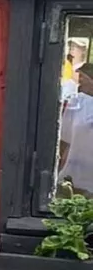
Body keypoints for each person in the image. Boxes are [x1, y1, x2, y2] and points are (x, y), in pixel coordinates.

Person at [59, 62, 93, 195]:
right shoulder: (79, 103)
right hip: (73, 176)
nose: (80, 83)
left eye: (84, 79)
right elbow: (65, 142)